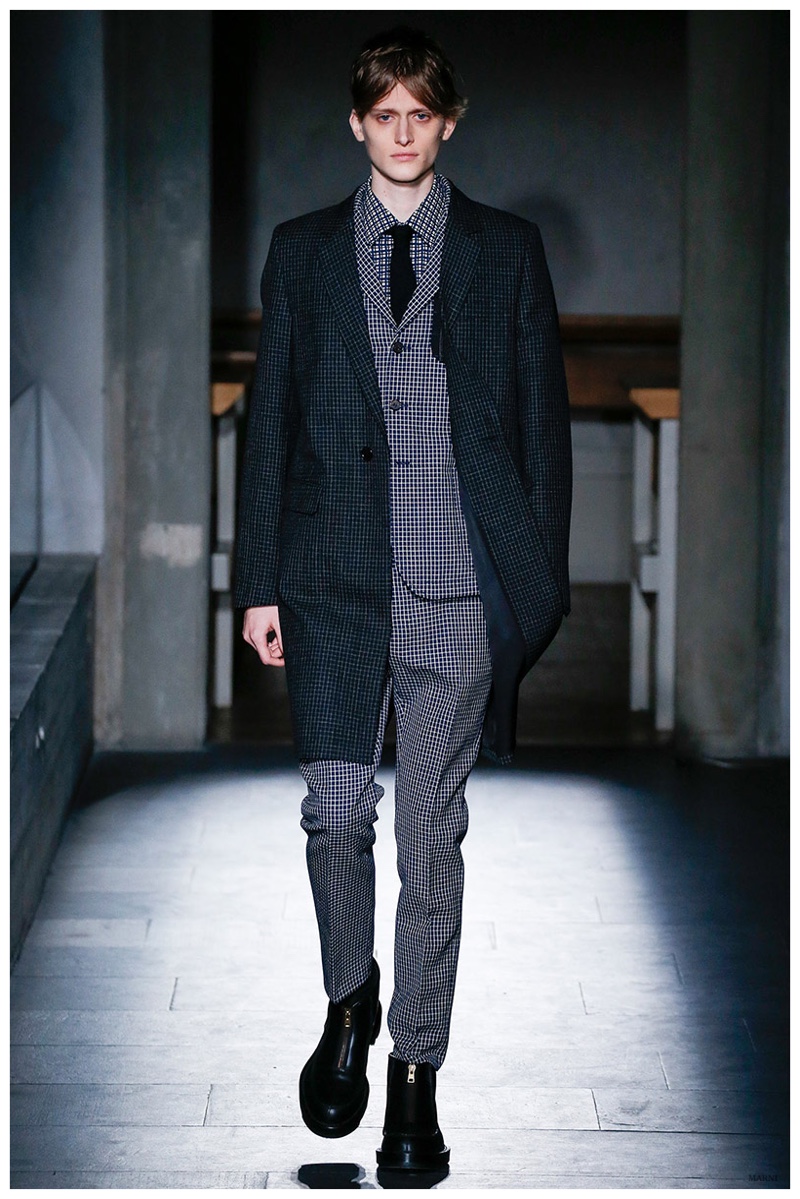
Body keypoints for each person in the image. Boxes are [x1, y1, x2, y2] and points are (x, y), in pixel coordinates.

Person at [234, 25, 571, 1177]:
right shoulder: (302, 252)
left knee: (432, 840)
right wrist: (257, 581)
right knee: (334, 815)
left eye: (420, 114)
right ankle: (351, 997)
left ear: (447, 122)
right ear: (356, 123)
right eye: (383, 114)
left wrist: (531, 586)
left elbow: (540, 430)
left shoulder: (503, 250)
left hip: (456, 581)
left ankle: (414, 1077)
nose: (401, 132)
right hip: (329, 579)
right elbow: (270, 423)